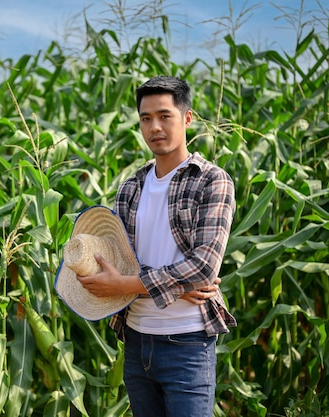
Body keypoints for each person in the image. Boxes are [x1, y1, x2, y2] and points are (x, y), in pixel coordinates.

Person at [76, 75, 237, 417]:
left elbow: (203, 267)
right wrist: (177, 288)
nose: (155, 127)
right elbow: (118, 261)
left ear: (187, 118)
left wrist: (126, 285)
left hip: (187, 343)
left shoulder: (211, 180)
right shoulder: (131, 186)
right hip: (136, 341)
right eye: (146, 119)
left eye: (165, 116)